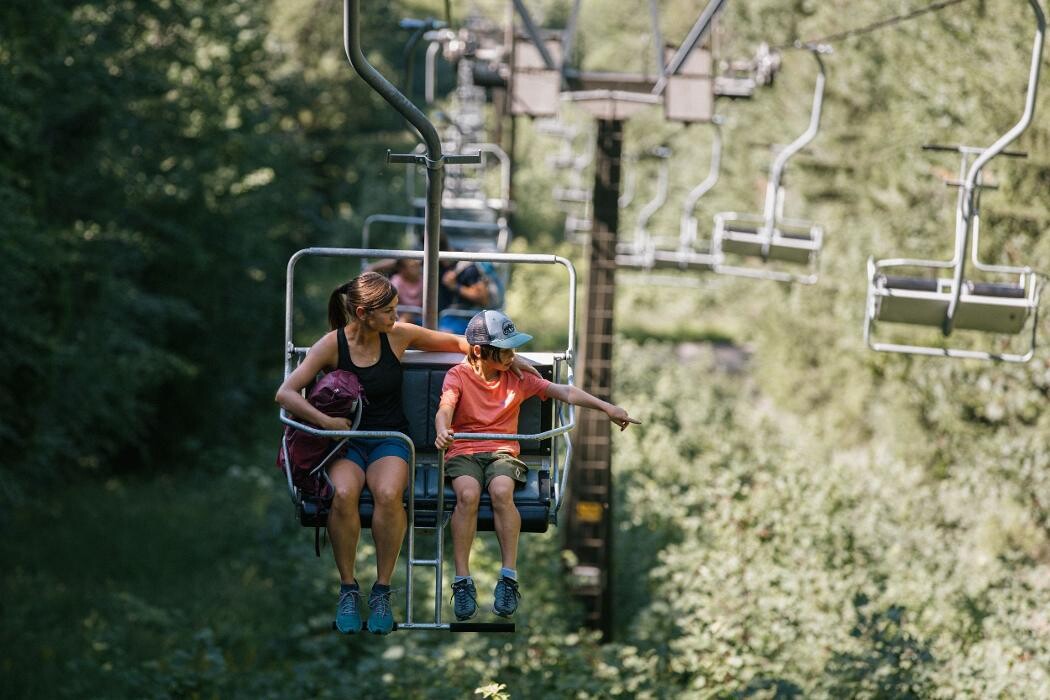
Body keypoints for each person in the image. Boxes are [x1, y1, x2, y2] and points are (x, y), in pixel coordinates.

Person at [275, 273, 538, 635]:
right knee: (344, 494)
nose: (395, 317)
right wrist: (325, 421)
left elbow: (460, 343)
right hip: (347, 441)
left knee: (387, 494)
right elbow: (286, 394)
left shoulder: (397, 336)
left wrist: (510, 359)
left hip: (391, 438)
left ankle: (382, 589)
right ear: (364, 313)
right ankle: (349, 587)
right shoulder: (331, 346)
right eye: (389, 311)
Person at [434, 310, 640, 621]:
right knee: (467, 495)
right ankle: (463, 580)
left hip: (502, 452)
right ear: (480, 351)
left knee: (502, 491)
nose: (511, 356)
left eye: (513, 349)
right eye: (504, 350)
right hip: (464, 449)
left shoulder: (517, 378)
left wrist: (606, 407)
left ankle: (508, 577)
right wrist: (443, 429)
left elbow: (565, 392)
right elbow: (445, 407)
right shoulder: (458, 376)